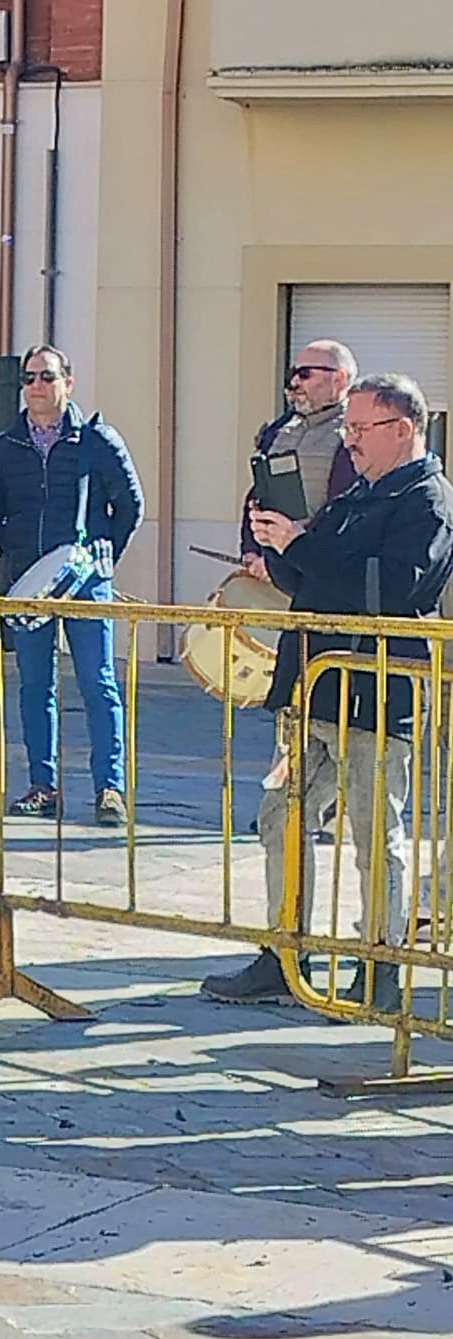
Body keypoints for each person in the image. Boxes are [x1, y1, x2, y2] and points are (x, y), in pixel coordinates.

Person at [202, 375, 453, 1013]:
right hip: (314, 689)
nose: (351, 441)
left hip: (375, 694)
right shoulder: (360, 491)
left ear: (404, 429)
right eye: (348, 429)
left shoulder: (426, 499)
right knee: (280, 819)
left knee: (374, 833)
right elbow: (309, 579)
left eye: (361, 430)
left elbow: (388, 591)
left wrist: (303, 546)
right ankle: (286, 953)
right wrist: (276, 542)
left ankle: (382, 963)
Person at [0, 344, 145, 827]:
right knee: (34, 687)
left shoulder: (98, 441)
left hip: (87, 583)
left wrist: (100, 557)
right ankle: (42, 786)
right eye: (29, 378)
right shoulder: (3, 447)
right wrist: (21, 552)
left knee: (98, 683)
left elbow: (130, 505)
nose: (36, 387)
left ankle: (110, 788)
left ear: (68, 383)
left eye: (47, 377)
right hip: (30, 584)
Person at [241, 342, 358, 580]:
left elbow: (344, 510)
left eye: (305, 374)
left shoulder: (355, 433)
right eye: (292, 373)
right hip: (269, 566)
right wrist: (252, 550)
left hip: (319, 573)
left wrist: (289, 559)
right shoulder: (278, 429)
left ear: (340, 379)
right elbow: (258, 493)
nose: (294, 382)